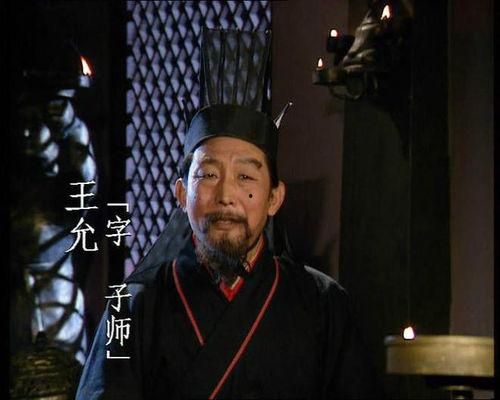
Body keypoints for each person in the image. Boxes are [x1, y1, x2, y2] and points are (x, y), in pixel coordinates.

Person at [76, 28, 381, 399]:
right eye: (208, 175)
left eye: (245, 177)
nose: (226, 196)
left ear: (274, 198)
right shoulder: (132, 306)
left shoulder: (323, 304)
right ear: (181, 193)